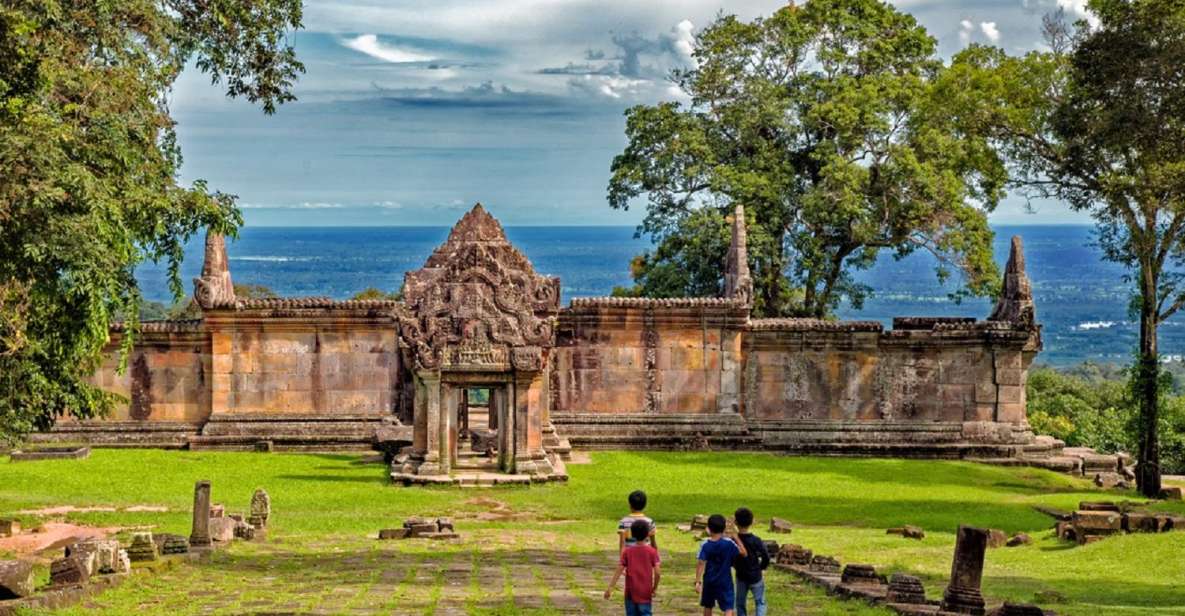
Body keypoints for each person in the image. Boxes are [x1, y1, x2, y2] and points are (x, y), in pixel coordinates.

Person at [605, 518, 662, 616]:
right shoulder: (652, 552)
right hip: (645, 592)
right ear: (647, 534)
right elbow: (657, 572)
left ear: (632, 534)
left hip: (630, 592)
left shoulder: (627, 552)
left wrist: (611, 587)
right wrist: (654, 588)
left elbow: (619, 570)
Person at [695, 513, 747, 616]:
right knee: (728, 607)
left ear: (708, 528)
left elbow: (701, 563)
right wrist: (736, 538)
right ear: (723, 528)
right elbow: (744, 553)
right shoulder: (728, 543)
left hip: (709, 580)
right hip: (725, 581)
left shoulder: (705, 544)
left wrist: (698, 581)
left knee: (708, 605)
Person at [731, 508, 770, 616]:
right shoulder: (756, 540)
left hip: (741, 576)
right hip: (755, 576)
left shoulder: (734, 540)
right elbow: (766, 556)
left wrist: (735, 565)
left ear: (736, 522)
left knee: (740, 603)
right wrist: (761, 567)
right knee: (760, 602)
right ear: (752, 522)